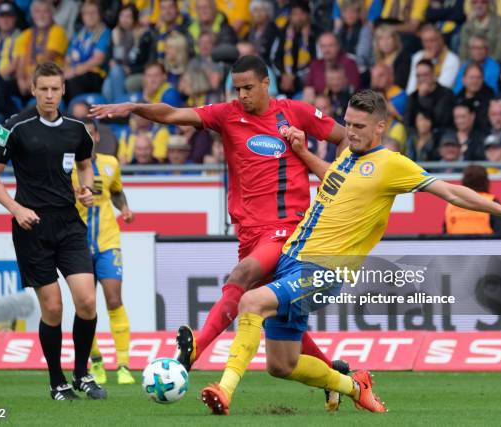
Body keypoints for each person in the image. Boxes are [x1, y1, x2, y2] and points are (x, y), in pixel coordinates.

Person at [199, 89, 501, 415]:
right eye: (349, 124)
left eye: (359, 127)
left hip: (323, 268)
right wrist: (303, 152)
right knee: (281, 365)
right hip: (293, 261)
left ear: (380, 127)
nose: (351, 132)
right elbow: (334, 181)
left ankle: (224, 391)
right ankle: (354, 386)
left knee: (251, 301)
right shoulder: (347, 157)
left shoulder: (391, 164)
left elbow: (450, 192)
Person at [90, 54, 349, 410]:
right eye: (236, 88)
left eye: (247, 88)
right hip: (249, 234)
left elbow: (344, 138)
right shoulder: (227, 115)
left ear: (265, 84)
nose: (241, 94)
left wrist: (339, 178)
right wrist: (134, 106)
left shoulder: (295, 112)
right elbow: (172, 114)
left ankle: (196, 346)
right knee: (279, 322)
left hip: (289, 230)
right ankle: (334, 372)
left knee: (240, 277)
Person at [0, 62, 106, 401]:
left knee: (87, 301)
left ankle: (82, 374)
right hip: (32, 226)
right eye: (44, 89)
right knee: (52, 308)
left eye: (55, 89)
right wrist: (17, 209)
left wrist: (85, 188)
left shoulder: (76, 129)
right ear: (34, 90)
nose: (50, 95)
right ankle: (57, 381)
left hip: (69, 224)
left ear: (63, 89)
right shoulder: (13, 127)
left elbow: (84, 163)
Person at [70, 118, 136, 386]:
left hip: (108, 241)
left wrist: (125, 208)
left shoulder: (110, 164)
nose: (87, 137)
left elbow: (117, 192)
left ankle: (123, 365)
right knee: (87, 305)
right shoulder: (68, 167)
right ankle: (95, 361)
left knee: (114, 299)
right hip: (77, 244)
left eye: (91, 133)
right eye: (82, 134)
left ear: (96, 136)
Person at [444, 164, 501, 234]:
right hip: (485, 244)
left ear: (464, 181)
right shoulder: (491, 201)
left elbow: (444, 233)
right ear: (485, 181)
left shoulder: (452, 204)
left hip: (455, 244)